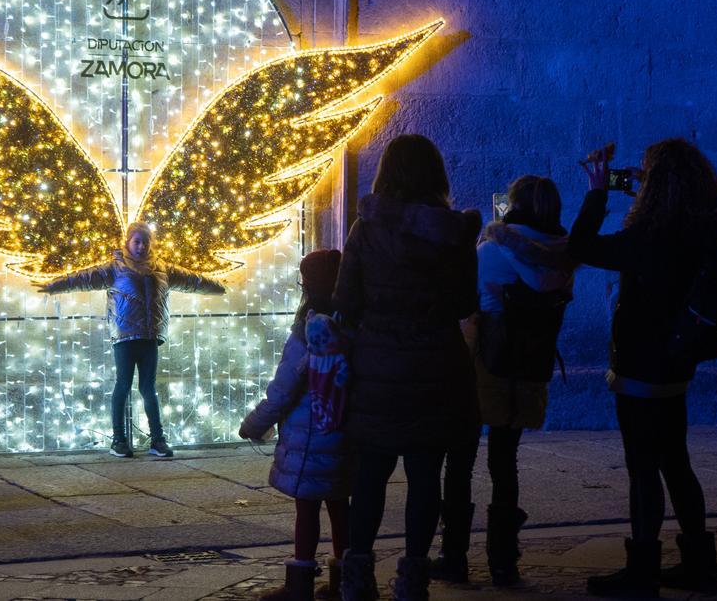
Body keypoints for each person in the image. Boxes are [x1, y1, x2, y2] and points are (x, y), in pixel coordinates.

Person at [572, 140, 717, 597]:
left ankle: (642, 569)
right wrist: (655, 184)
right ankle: (701, 566)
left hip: (640, 369)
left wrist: (599, 191)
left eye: (646, 174)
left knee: (642, 469)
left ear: (655, 187)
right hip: (677, 365)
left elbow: (582, 246)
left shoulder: (645, 240)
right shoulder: (703, 230)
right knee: (676, 464)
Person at [333, 134, 481, 601]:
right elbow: (464, 304)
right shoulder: (454, 233)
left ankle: (357, 576)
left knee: (370, 478)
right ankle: (413, 578)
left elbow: (345, 301)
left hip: (376, 370)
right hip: (436, 369)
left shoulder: (365, 229)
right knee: (424, 479)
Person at [453, 176, 574, 586]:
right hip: (529, 364)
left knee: (462, 457)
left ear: (514, 205)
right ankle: (504, 560)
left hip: (486, 359)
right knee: (506, 462)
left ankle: (454, 554)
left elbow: (467, 298)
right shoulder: (564, 256)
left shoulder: (491, 249)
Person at [38, 222, 225, 458]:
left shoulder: (162, 269)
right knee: (123, 385)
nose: (141, 246)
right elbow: (83, 278)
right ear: (127, 242)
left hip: (149, 337)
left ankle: (157, 440)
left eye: (145, 242)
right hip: (125, 337)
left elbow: (194, 281)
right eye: (136, 241)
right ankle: (119, 440)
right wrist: (53, 286)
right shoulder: (115, 268)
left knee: (148, 388)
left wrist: (219, 287)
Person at [239, 249, 352, 601]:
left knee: (307, 509)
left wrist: (254, 423)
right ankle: (345, 580)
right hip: (344, 431)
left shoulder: (308, 330)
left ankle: (299, 583)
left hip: (310, 437)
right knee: (340, 507)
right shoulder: (353, 322)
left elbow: (284, 388)